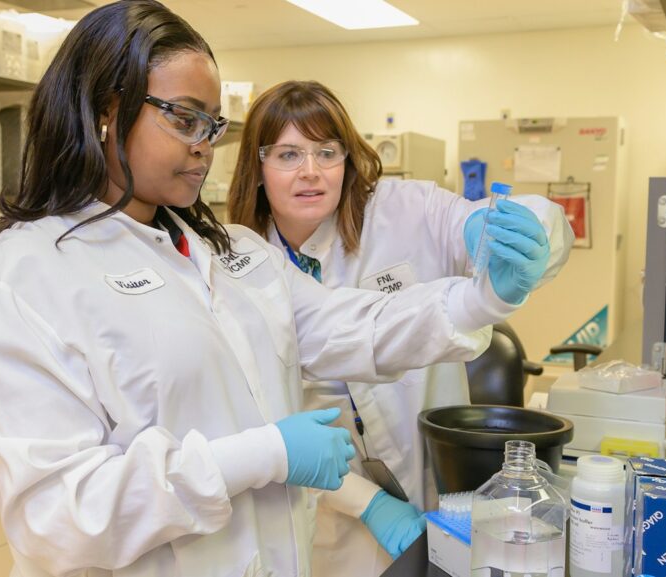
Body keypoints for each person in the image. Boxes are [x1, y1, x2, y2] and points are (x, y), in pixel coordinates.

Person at [0, 3, 537, 576]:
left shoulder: (231, 253)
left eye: (211, 123)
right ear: (105, 110)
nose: (203, 143)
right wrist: (260, 457)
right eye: (183, 117)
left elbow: (355, 327)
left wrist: (481, 298)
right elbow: (58, 516)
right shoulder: (27, 278)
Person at [227, 80, 575, 577]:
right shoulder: (238, 266)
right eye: (287, 155)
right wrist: (366, 502)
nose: (310, 172)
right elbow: (260, 423)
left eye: (327, 152)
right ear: (256, 169)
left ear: (347, 158)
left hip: (431, 472)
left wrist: (525, 233)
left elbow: (509, 218)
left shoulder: (404, 210)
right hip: (330, 505)